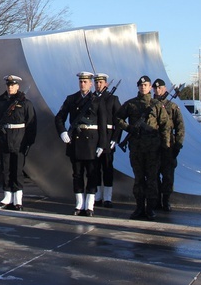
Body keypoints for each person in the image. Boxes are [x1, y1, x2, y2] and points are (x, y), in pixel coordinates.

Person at [115, 75, 170, 220]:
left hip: (153, 149)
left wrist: (165, 146)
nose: (143, 87)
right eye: (141, 85)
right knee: (139, 179)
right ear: (138, 87)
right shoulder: (131, 104)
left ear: (150, 87)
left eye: (145, 85)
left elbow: (165, 126)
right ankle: (139, 207)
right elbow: (117, 118)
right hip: (137, 148)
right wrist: (128, 128)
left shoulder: (157, 105)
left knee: (152, 179)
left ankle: (150, 208)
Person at [55, 71, 107, 217]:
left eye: (86, 82)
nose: (83, 84)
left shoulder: (97, 100)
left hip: (92, 141)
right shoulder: (71, 99)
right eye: (81, 82)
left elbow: (102, 124)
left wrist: (102, 144)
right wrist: (62, 132)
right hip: (76, 141)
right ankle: (79, 204)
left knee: (92, 174)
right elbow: (59, 117)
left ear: (91, 83)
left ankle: (89, 205)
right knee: (77, 174)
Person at [0, 75, 37, 211]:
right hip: (4, 138)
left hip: (19, 140)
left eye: (13, 85)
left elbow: (31, 124)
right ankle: (7, 197)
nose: (10, 87)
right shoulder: (0, 101)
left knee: (18, 170)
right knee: (6, 169)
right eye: (8, 85)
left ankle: (17, 199)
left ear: (18, 86)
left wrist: (29, 143)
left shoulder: (25, 103)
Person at [152, 78, 185, 212]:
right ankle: (156, 200)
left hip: (168, 146)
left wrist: (178, 145)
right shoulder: (151, 104)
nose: (158, 90)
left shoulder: (172, 107)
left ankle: (166, 200)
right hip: (153, 146)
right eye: (155, 88)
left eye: (160, 88)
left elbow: (180, 127)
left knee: (168, 176)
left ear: (164, 89)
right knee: (153, 175)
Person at [93, 73, 122, 208]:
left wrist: (115, 138)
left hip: (108, 137)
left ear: (106, 83)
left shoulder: (113, 99)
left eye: (101, 83)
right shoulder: (92, 98)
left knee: (107, 168)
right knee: (95, 169)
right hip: (95, 138)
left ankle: (108, 197)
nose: (98, 85)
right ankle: (98, 196)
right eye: (96, 83)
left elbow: (119, 121)